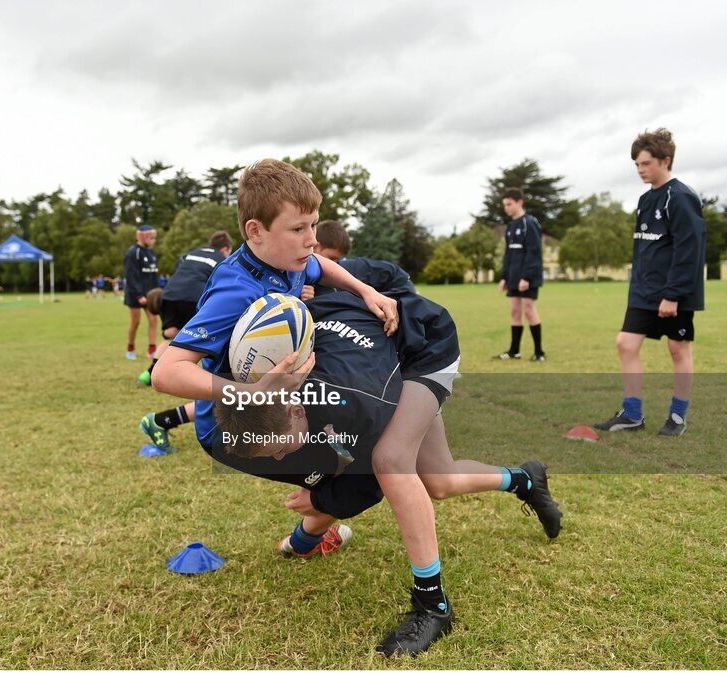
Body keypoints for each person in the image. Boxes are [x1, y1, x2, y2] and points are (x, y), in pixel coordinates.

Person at [214, 290, 561, 656]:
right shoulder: (268, 381)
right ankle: (525, 479)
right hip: (384, 364)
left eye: (281, 448)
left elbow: (366, 488)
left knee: (390, 461)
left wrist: (316, 501)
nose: (281, 459)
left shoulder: (355, 406)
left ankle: (433, 605)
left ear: (297, 408)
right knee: (440, 480)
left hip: (425, 347)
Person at [151, 157, 398, 465]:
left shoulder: (286, 260)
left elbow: (319, 265)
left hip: (278, 404)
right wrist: (252, 392)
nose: (312, 240)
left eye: (313, 224)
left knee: (361, 449)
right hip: (232, 429)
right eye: (298, 228)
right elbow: (166, 372)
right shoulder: (236, 292)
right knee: (361, 475)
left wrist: (366, 291)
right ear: (256, 231)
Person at [595, 128, 706, 437]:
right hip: (644, 293)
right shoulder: (645, 200)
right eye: (637, 165)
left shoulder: (681, 197)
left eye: (646, 164)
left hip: (675, 293)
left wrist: (672, 295)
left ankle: (678, 416)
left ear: (665, 160)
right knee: (625, 344)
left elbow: (689, 251)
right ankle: (632, 414)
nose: (641, 170)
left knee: (677, 349)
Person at [138, 231, 234, 451]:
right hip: (196, 296)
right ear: (225, 249)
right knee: (218, 363)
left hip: (170, 294)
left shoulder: (191, 254)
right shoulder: (223, 259)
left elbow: (180, 271)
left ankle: (150, 373)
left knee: (175, 336)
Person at [303, 220, 415, 299]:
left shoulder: (352, 268)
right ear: (316, 246)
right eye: (332, 258)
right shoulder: (295, 272)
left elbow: (396, 274)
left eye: (338, 260)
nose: (335, 264)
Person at [496, 188, 545, 361]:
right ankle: (514, 351)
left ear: (519, 202)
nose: (506, 208)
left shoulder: (529, 223)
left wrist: (527, 277)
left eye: (509, 204)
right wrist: (504, 277)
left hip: (527, 278)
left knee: (529, 311)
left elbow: (534, 252)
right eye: (504, 205)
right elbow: (508, 255)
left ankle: (539, 353)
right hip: (513, 278)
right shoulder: (510, 227)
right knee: (515, 312)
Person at [123, 226, 160, 360]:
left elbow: (154, 275)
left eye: (153, 237)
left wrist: (158, 292)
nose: (153, 240)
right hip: (135, 294)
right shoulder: (133, 252)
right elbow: (131, 275)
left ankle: (152, 350)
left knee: (153, 320)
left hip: (150, 294)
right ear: (142, 237)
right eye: (150, 237)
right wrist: (139, 295)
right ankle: (130, 348)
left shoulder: (151, 253)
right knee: (136, 321)